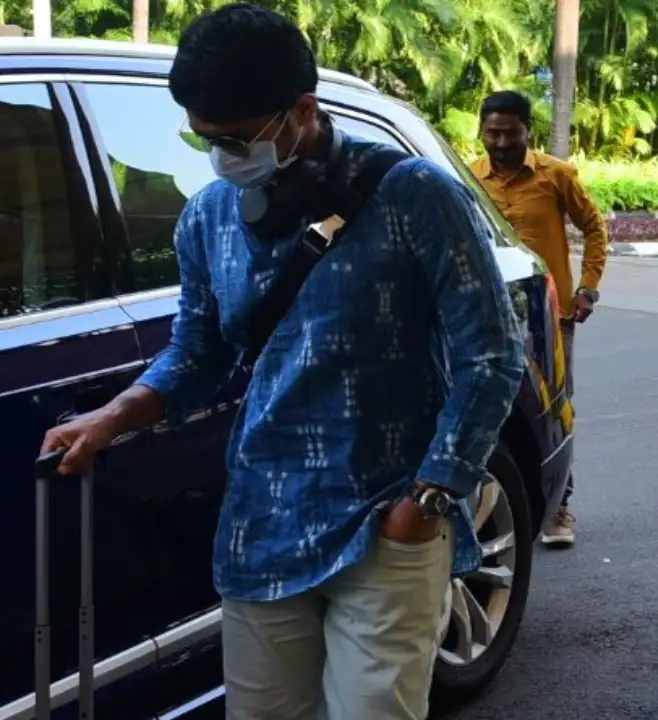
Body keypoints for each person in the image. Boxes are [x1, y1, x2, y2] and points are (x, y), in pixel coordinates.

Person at [39, 6, 524, 719]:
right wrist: (112, 418)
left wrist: (428, 498)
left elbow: (492, 353)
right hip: (260, 525)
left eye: (237, 138)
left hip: (383, 519)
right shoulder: (208, 218)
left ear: (302, 110)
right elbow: (198, 353)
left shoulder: (416, 195)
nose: (221, 157)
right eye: (203, 139)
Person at [471, 90, 608, 548]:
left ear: (528, 131)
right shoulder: (469, 178)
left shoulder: (556, 175)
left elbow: (594, 226)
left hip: (548, 317)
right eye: (493, 132)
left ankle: (559, 505)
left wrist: (587, 286)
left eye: (511, 133)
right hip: (484, 314)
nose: (502, 142)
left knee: (553, 407)